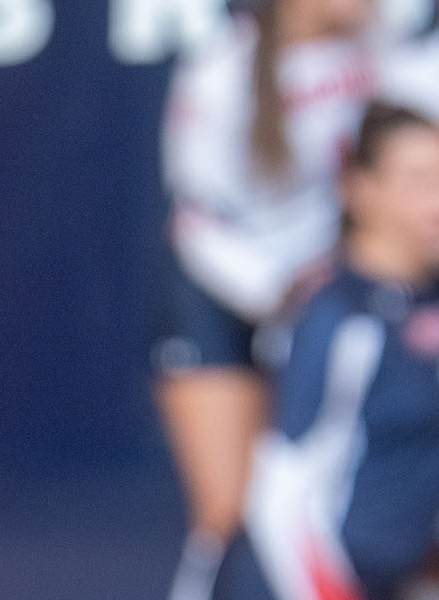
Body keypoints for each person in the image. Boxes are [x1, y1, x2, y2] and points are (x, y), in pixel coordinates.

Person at [157, 2, 439, 596]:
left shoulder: (386, 47)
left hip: (327, 286)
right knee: (227, 511)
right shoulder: (224, 68)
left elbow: (415, 133)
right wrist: (280, 292)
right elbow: (195, 218)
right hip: (221, 298)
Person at [211, 102, 439, 599]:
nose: (436, 200)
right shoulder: (336, 314)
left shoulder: (427, 298)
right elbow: (286, 492)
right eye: (419, 180)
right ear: (361, 189)